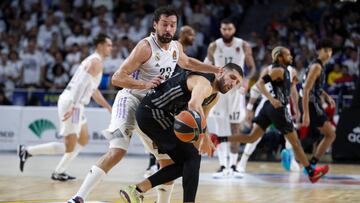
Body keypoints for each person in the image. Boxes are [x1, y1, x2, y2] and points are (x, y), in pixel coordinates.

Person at [67, 6, 220, 203]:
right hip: (130, 100)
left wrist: (215, 69)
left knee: (168, 161)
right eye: (164, 24)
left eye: (172, 25)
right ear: (155, 25)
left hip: (153, 108)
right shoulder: (145, 46)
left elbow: (189, 63)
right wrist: (144, 84)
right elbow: (117, 77)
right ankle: (78, 198)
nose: (168, 29)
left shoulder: (175, 47)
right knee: (117, 151)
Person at [119, 63, 243, 203]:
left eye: (237, 82)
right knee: (192, 159)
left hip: (164, 116)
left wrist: (200, 142)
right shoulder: (204, 83)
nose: (233, 83)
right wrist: (206, 136)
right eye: (232, 77)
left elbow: (201, 120)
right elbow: (194, 105)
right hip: (152, 112)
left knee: (190, 161)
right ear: (220, 72)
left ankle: (137, 190)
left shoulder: (215, 97)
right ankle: (138, 190)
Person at [212, 46, 329, 183]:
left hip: (268, 108)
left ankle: (219, 139)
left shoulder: (286, 70)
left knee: (251, 138)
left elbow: (291, 90)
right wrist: (272, 99)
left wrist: (295, 109)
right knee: (295, 143)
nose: (291, 56)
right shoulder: (277, 70)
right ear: (280, 57)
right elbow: (260, 83)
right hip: (277, 108)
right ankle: (311, 172)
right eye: (288, 54)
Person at [17, 33, 113, 180]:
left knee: (83, 140)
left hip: (75, 102)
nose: (111, 48)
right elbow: (80, 84)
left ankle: (59, 171)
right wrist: (73, 106)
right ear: (100, 46)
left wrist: (108, 106)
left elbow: (92, 90)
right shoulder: (96, 62)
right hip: (73, 103)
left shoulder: (93, 61)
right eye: (109, 45)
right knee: (70, 146)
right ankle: (27, 151)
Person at [205, 18, 256, 178]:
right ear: (220, 29)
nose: (227, 31)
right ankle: (222, 165)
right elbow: (207, 66)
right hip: (219, 91)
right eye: (224, 29)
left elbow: (252, 67)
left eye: (229, 29)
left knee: (235, 128)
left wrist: (247, 79)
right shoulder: (214, 46)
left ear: (234, 29)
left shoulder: (243, 45)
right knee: (219, 129)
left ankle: (233, 166)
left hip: (236, 91)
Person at [144, 25, 196, 178]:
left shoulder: (182, 50)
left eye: (193, 34)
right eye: (190, 33)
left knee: (164, 135)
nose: (193, 37)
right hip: (165, 94)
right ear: (183, 34)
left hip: (175, 97)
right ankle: (153, 164)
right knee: (157, 134)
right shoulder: (174, 46)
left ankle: (159, 163)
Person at [237, 63, 301, 173]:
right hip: (267, 103)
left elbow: (294, 92)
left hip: (284, 105)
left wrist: (297, 109)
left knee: (290, 135)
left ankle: (292, 160)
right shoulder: (267, 69)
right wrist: (250, 107)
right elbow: (257, 87)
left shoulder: (291, 71)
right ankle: (242, 162)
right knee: (256, 135)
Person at [289, 39, 336, 170]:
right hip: (309, 103)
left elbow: (316, 87)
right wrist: (306, 114)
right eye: (325, 50)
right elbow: (305, 90)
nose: (328, 53)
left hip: (312, 102)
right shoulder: (316, 67)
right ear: (318, 51)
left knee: (317, 135)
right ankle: (303, 161)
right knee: (330, 134)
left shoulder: (319, 65)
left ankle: (298, 157)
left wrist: (326, 96)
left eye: (330, 51)